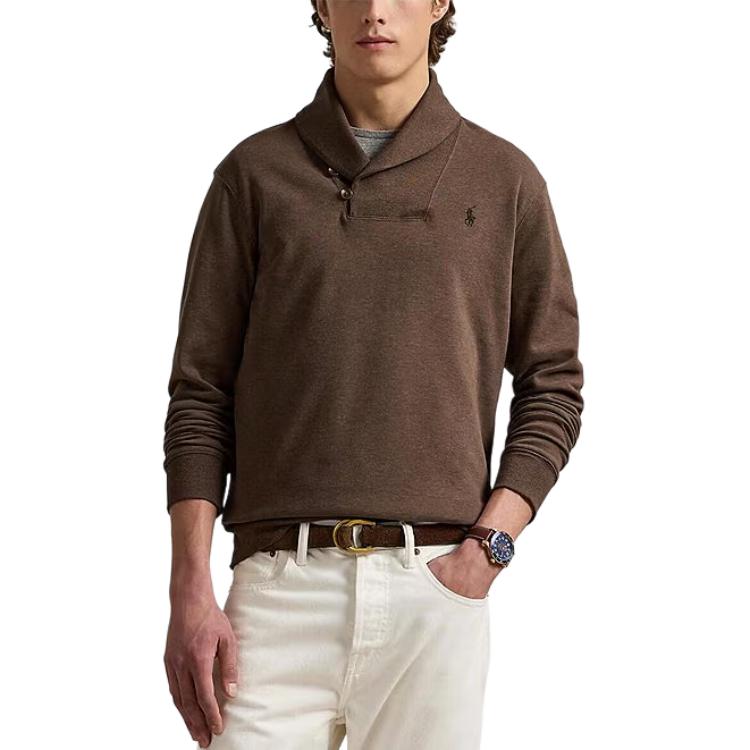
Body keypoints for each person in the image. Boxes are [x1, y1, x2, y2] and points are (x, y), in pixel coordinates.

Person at [162, 1, 585, 748]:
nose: (376, 10)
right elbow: (201, 393)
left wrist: (489, 549)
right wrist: (189, 590)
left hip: (436, 589)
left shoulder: (505, 179)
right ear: (322, 6)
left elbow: (552, 383)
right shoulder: (253, 176)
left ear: (440, 2)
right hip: (276, 594)